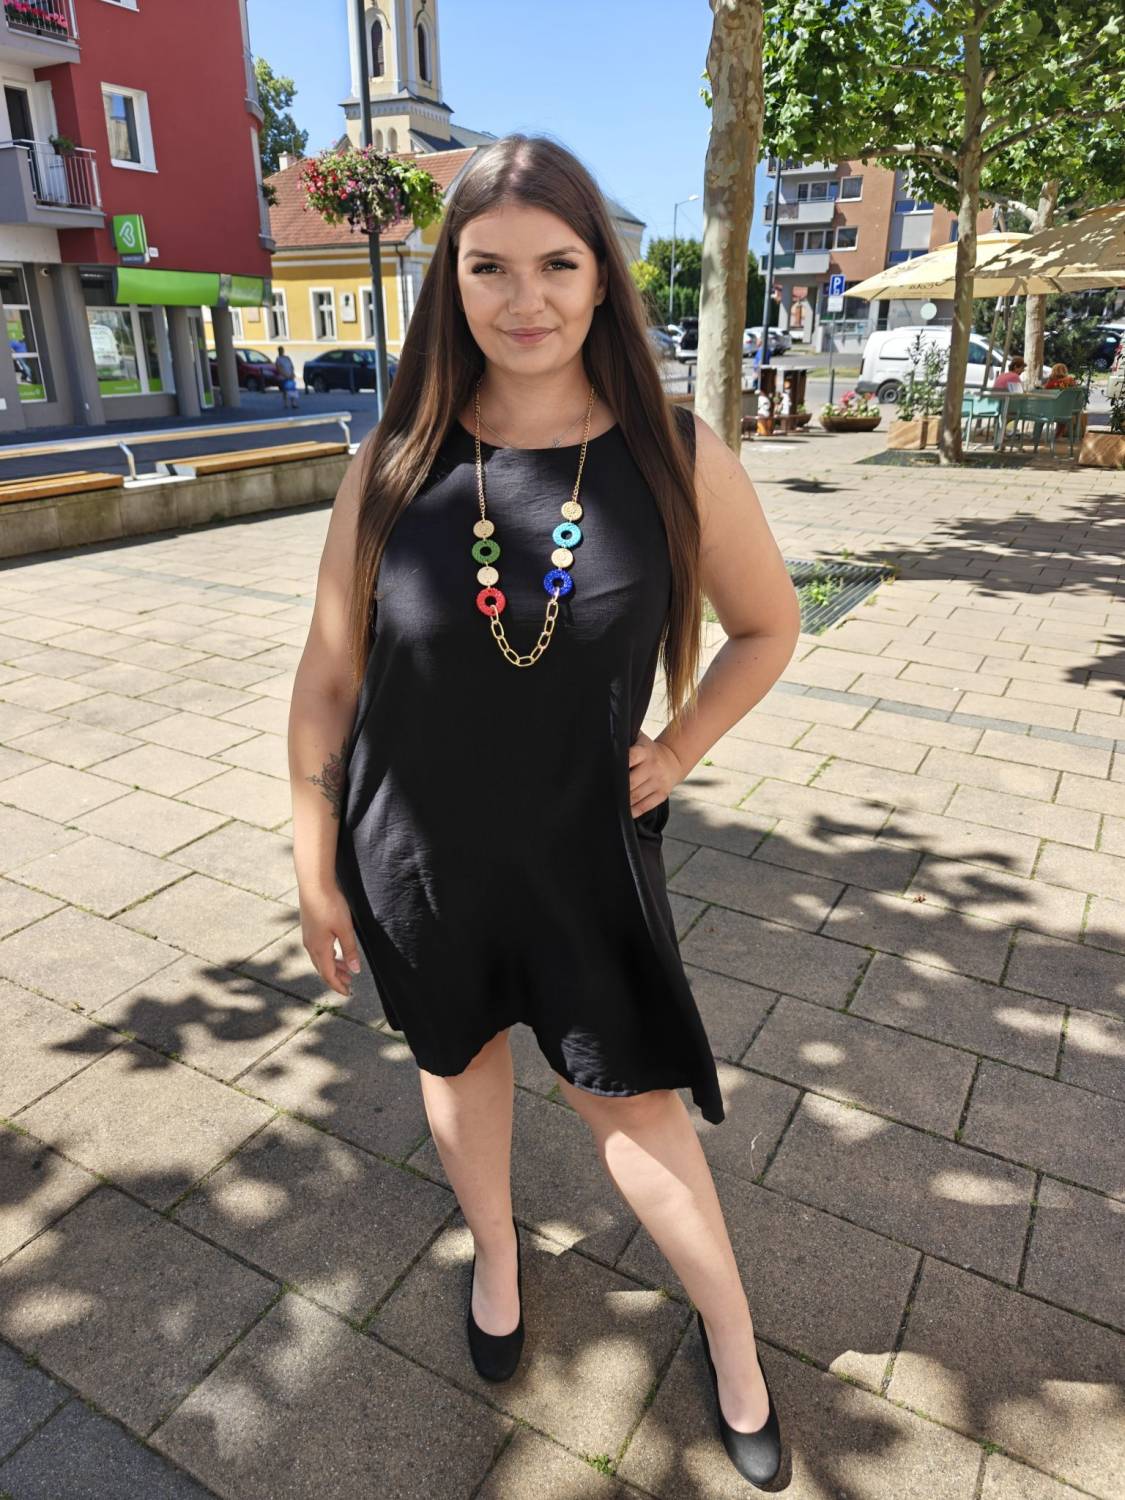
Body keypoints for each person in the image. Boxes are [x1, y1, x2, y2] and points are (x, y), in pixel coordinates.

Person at [288, 134, 801, 1490]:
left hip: (583, 860)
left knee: (632, 1113)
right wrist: (313, 858)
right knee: (458, 1070)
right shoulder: (393, 460)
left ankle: (733, 1339)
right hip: (416, 855)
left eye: (559, 265)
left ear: (603, 278)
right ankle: (498, 1258)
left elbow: (767, 626)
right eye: (490, 267)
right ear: (449, 281)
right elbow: (330, 677)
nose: (525, 299)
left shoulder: (674, 454)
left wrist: (679, 747)